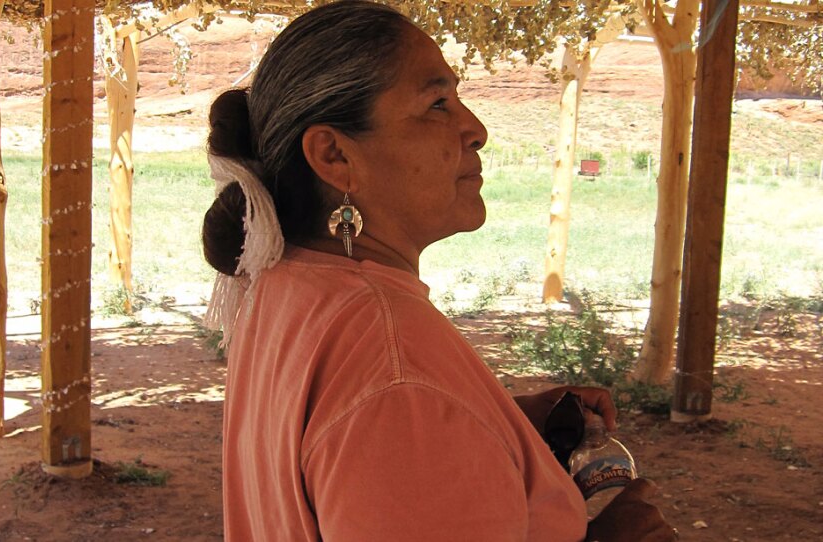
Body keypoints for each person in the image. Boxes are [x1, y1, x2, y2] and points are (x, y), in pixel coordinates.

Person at [202, 1, 677, 540]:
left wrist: (496, 425)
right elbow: (392, 410)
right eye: (436, 104)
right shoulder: (393, 362)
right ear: (334, 155)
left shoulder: (289, 284)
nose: (475, 129)